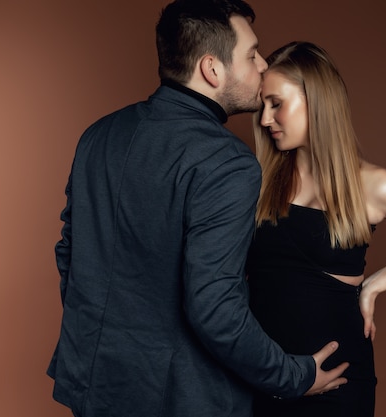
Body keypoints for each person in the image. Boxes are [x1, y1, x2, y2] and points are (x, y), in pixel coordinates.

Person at [47, 4, 349, 417]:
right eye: (251, 54)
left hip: (93, 382)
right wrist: (292, 376)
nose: (262, 65)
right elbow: (215, 309)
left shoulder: (99, 135)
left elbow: (70, 254)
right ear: (212, 69)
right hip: (178, 397)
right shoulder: (227, 162)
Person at [246, 41, 386, 417]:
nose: (265, 119)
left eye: (276, 103)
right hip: (261, 377)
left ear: (316, 100)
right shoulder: (260, 180)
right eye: (262, 105)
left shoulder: (375, 186)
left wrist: (376, 284)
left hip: (337, 386)